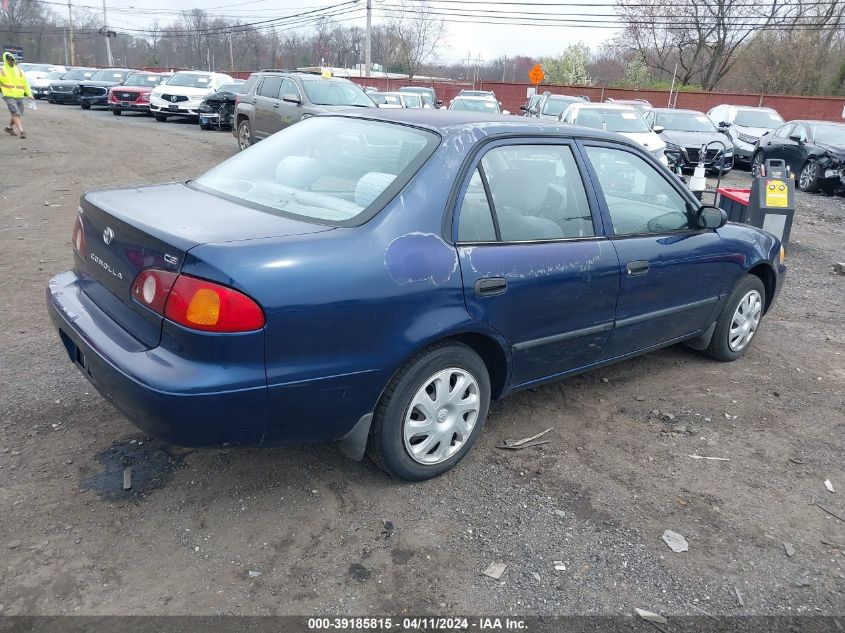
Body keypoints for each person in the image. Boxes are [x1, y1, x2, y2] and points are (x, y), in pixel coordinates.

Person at [0, 52, 33, 139]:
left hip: (19, 96)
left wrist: (29, 94)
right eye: (10, 60)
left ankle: (9, 128)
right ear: (6, 60)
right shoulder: (1, 70)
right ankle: (22, 131)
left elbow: (25, 84)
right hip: (8, 95)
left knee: (18, 114)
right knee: (15, 113)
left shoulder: (19, 71)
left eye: (13, 60)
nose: (11, 62)